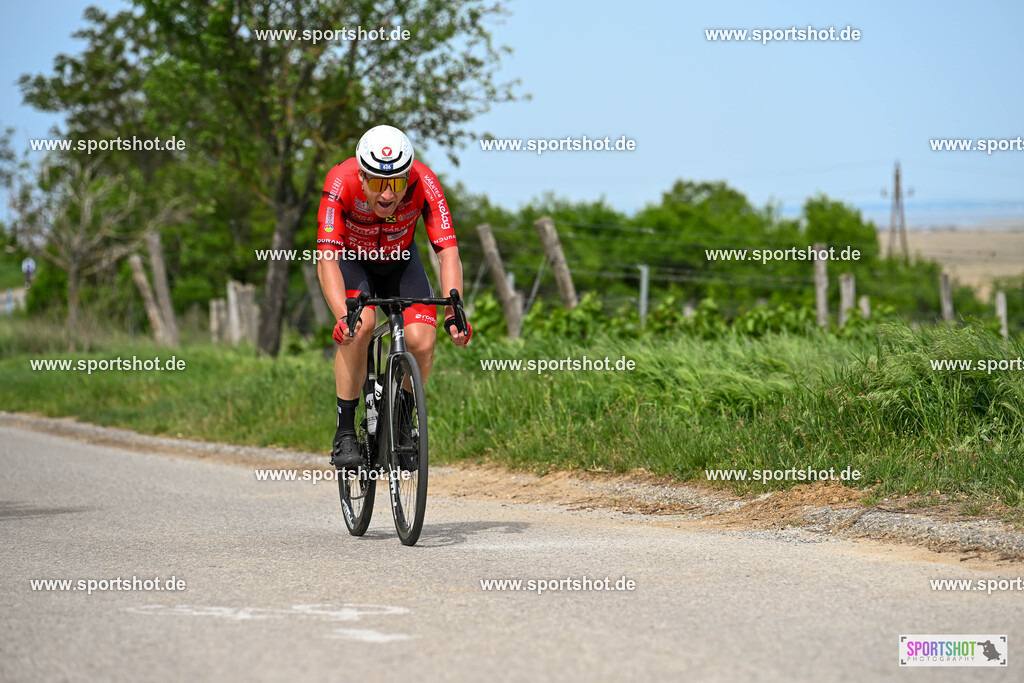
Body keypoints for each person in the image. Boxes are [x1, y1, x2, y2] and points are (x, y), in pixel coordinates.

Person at [316, 125, 472, 468]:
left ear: (408, 177)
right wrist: (343, 315)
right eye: (376, 183)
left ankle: (401, 419)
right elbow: (327, 257)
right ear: (361, 174)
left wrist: (453, 310)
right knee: (362, 325)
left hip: (401, 263)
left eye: (398, 183)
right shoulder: (340, 180)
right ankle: (345, 431)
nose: (387, 195)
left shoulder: (425, 181)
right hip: (354, 264)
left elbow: (447, 252)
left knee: (421, 341)